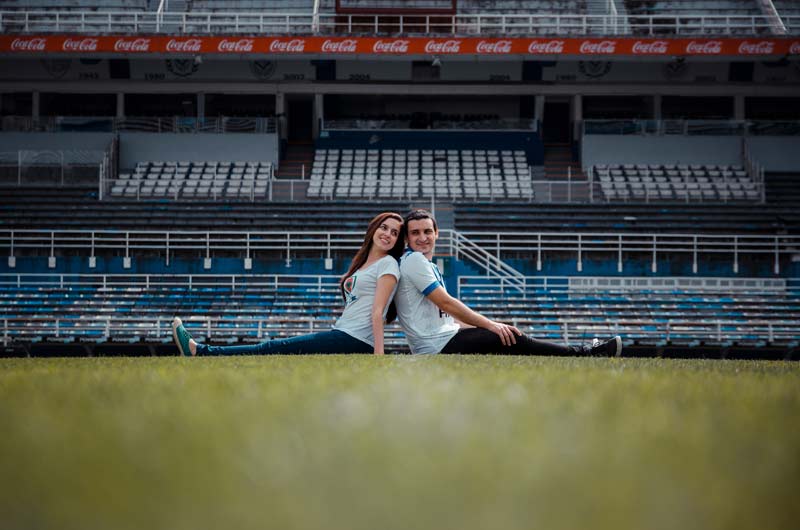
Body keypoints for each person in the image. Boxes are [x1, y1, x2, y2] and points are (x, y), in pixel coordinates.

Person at [171, 212, 404, 356]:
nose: (387, 234)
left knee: (274, 346)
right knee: (278, 347)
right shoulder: (363, 263)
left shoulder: (388, 264)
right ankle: (200, 351)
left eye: (394, 233)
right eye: (384, 227)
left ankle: (201, 351)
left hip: (357, 338)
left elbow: (377, 312)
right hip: (344, 332)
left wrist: (378, 353)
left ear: (396, 241)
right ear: (374, 228)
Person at [395, 209, 622, 356]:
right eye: (415, 233)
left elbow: (446, 317)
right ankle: (583, 353)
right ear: (407, 238)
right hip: (436, 347)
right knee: (507, 335)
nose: (422, 237)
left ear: (437, 233)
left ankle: (582, 352)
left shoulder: (426, 264)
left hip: (441, 340)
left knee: (506, 334)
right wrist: (491, 325)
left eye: (427, 231)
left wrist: (486, 325)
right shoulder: (414, 260)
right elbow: (446, 303)